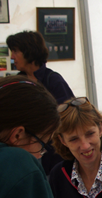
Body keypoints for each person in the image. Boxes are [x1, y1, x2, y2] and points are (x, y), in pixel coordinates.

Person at [7, 30, 75, 174]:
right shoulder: (17, 82)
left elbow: (69, 115)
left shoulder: (53, 80)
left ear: (28, 51)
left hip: (52, 155)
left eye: (15, 51)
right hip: (24, 153)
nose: (12, 57)